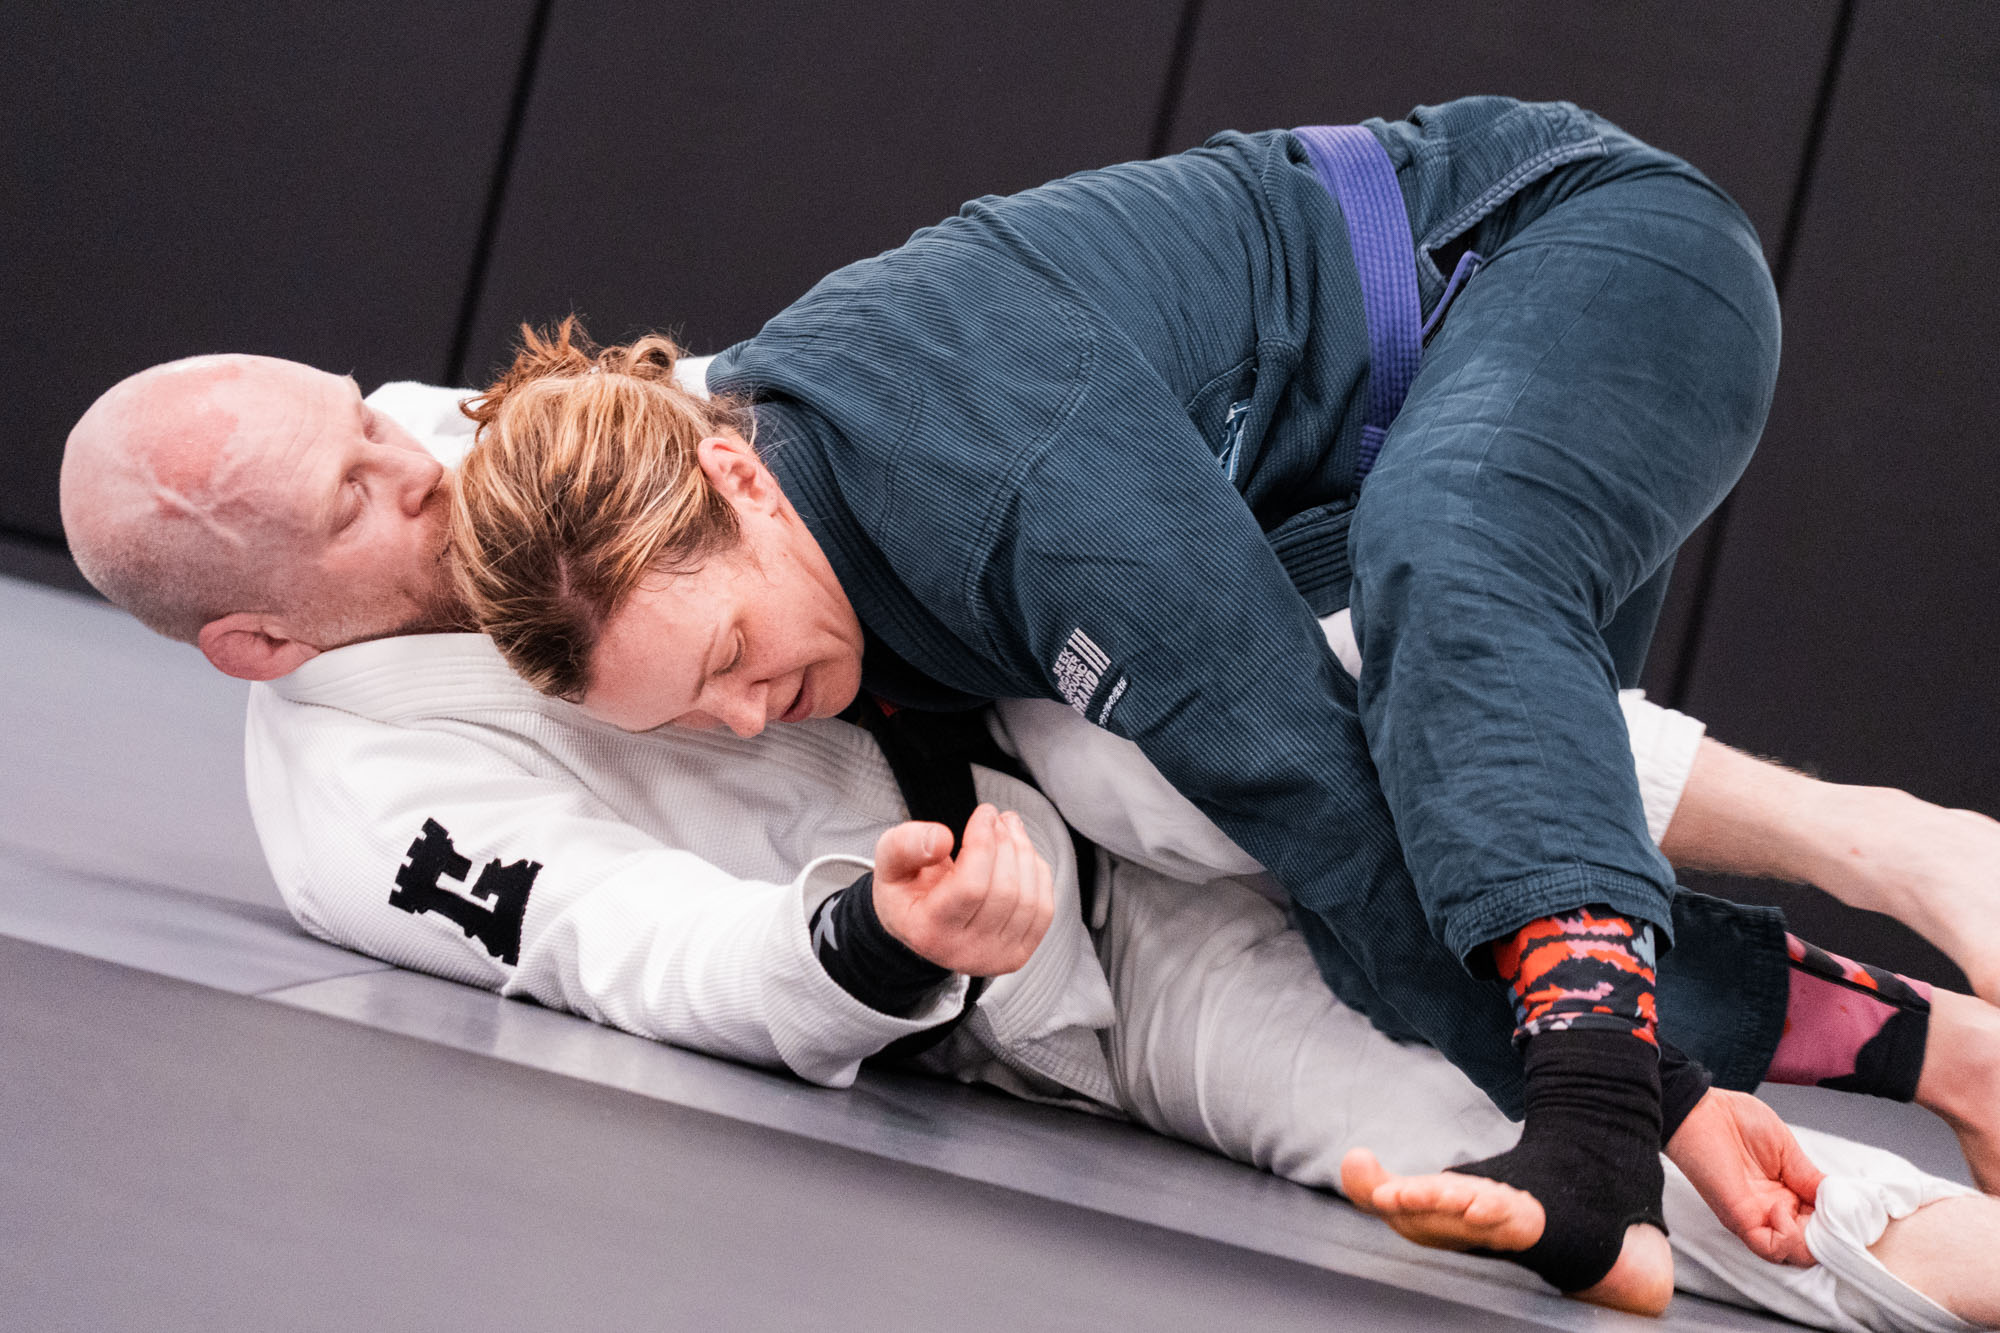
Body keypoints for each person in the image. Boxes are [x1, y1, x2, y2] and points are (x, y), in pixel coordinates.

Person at [58, 359, 2000, 1322]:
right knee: (1456, 1133)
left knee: (1315, 722)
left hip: (1033, 697)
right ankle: (1939, 1205)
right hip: (1053, 974)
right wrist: (869, 940)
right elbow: (624, 941)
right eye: (359, 496)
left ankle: (1882, 846)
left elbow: (791, 450)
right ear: (259, 640)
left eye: (370, 421)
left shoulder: (471, 435)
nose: (419, 460)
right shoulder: (365, 818)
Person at [445, 96, 2000, 1299]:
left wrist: (1619, 1109)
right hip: (1381, 459)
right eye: (690, 720)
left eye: (726, 660)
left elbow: (1304, 785)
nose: (745, 718)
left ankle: (1899, 866)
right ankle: (1949, 1058)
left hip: (1595, 257)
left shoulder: (980, 466)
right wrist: (1658, 1086)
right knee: (1412, 836)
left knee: (1423, 591)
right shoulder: (768, 494)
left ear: (734, 474)